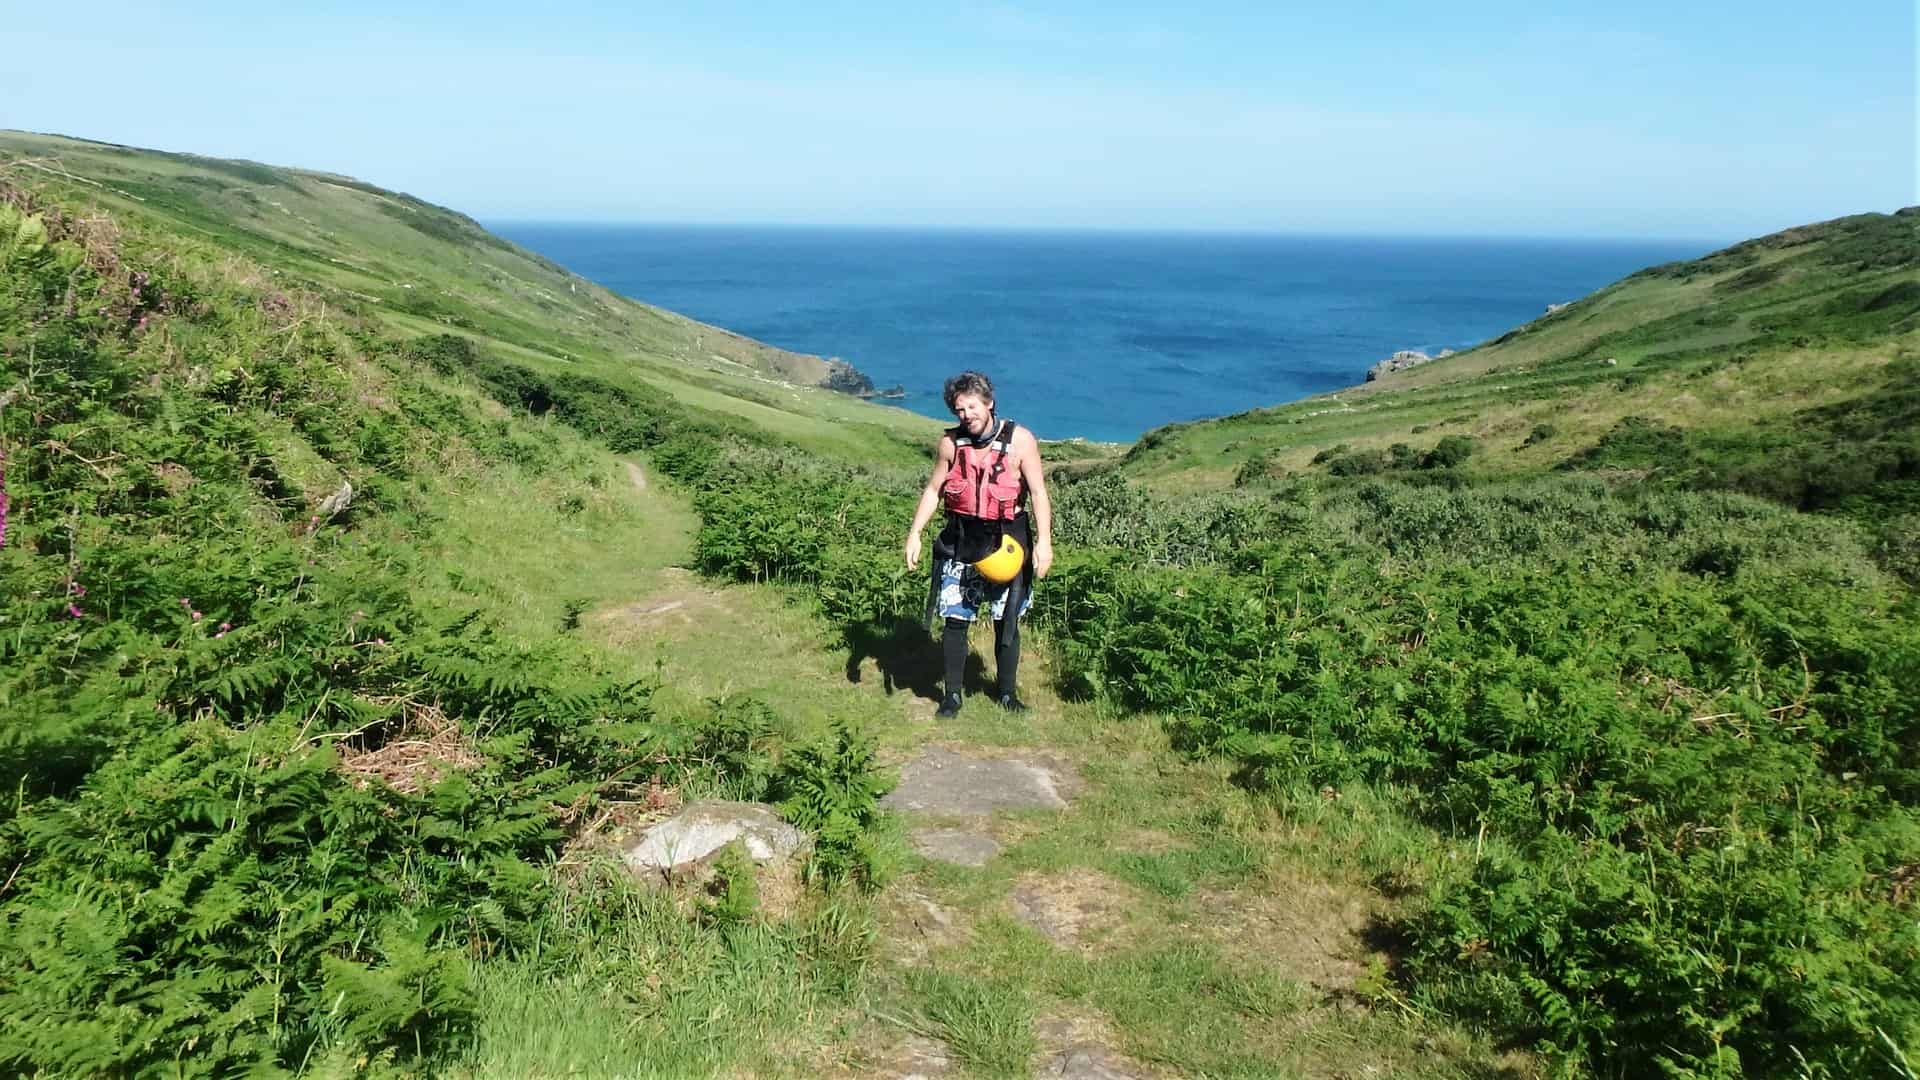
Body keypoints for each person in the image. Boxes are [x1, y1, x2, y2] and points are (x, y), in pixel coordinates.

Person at [904, 371, 1053, 717]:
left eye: (972, 406)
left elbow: (1039, 493)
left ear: (988, 404)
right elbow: (933, 490)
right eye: (959, 409)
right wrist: (915, 533)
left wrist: (1044, 543)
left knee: (1008, 618)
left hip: (1008, 541)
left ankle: (1006, 693)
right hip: (961, 539)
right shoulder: (950, 444)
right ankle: (952, 695)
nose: (965, 415)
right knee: (955, 618)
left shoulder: (1021, 441)